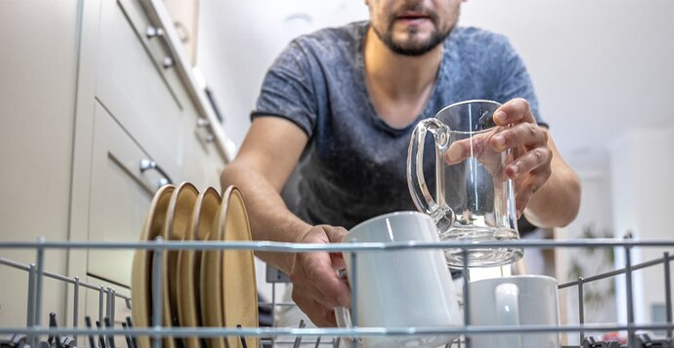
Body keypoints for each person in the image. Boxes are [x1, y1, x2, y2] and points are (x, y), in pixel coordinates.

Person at [221, 0, 581, 328]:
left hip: (444, 297)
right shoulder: (311, 61)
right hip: (325, 298)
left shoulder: (494, 61)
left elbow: (564, 205)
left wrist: (533, 176)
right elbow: (243, 176)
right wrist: (299, 246)